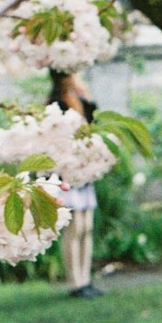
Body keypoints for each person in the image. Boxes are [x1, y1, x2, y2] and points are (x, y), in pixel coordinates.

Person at [48, 68, 102, 298]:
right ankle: (75, 282)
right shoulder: (56, 104)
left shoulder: (80, 100)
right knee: (74, 228)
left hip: (84, 170)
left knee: (86, 227)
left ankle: (86, 279)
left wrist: (86, 96)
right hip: (66, 172)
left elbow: (93, 121)